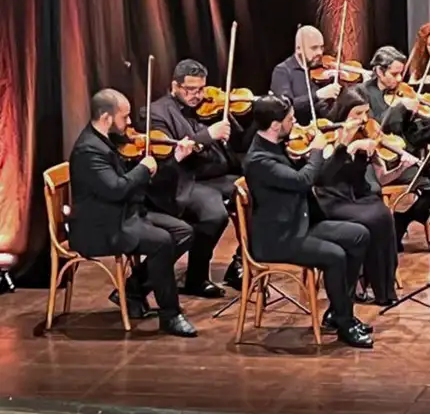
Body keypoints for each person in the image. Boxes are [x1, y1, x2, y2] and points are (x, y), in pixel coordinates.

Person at [242, 95, 373, 348]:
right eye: (290, 119)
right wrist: (315, 151)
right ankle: (345, 323)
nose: (296, 123)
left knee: (359, 235)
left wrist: (341, 146)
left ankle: (338, 311)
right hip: (278, 237)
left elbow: (318, 179)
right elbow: (302, 181)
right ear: (275, 125)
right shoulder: (259, 160)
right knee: (335, 256)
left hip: (300, 224)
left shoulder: (279, 146)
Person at [69, 89, 198, 337]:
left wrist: (172, 159)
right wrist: (142, 168)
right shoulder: (89, 150)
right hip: (100, 225)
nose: (129, 123)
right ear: (107, 117)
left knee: (184, 232)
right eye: (124, 117)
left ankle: (133, 291)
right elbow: (117, 190)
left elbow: (131, 183)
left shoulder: (107, 141)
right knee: (161, 241)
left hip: (124, 213)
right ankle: (170, 315)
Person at [146, 59, 241, 297]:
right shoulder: (155, 113)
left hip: (207, 176)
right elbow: (169, 156)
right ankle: (196, 277)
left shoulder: (205, 107)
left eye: (201, 89)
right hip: (177, 183)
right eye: (190, 90)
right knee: (215, 214)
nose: (197, 96)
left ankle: (240, 263)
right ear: (174, 86)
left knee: (251, 188)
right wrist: (208, 135)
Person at [316, 86, 400, 307]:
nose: (363, 119)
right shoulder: (329, 136)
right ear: (344, 113)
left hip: (358, 195)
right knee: (372, 219)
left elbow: (381, 178)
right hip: (331, 199)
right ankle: (356, 285)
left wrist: (401, 168)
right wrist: (350, 146)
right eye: (357, 114)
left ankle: (383, 290)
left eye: (365, 113)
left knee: (383, 215)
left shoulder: (367, 133)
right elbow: (323, 176)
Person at [376, 45, 430, 250]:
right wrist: (399, 108)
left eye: (402, 73)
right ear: (379, 72)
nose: (400, 79)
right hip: (379, 165)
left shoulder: (402, 93)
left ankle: (403, 220)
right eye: (394, 74)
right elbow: (374, 127)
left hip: (403, 159)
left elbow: (412, 136)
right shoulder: (365, 93)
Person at [270, 26, 342, 125]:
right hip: (298, 133)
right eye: (314, 48)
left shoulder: (322, 71)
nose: (320, 53)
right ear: (298, 48)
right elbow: (284, 107)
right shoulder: (283, 71)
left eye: (321, 47)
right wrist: (318, 95)